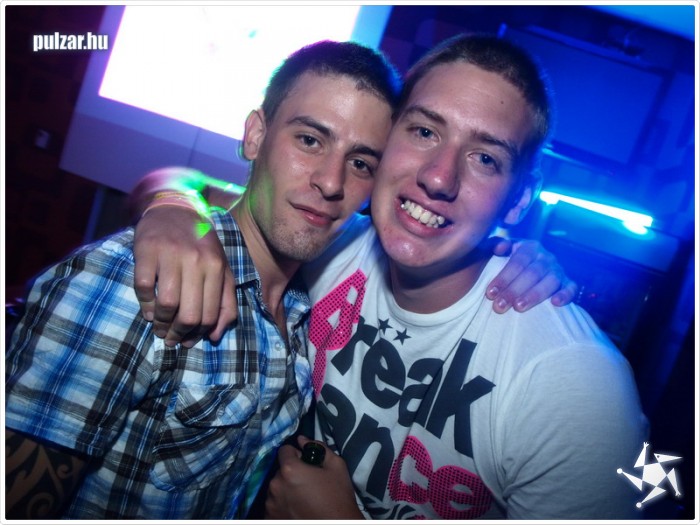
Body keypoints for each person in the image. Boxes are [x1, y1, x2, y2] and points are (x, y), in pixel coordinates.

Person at [131, 34, 648, 520]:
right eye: (424, 131)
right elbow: (181, 183)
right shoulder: (332, 241)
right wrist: (174, 209)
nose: (439, 176)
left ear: (519, 200)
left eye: (485, 158)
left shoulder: (576, 390)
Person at [4, 40, 401, 519]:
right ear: (255, 135)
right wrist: (172, 203)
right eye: (309, 140)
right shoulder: (138, 281)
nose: (332, 182)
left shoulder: (302, 309)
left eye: (360, 164)